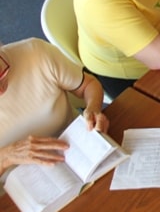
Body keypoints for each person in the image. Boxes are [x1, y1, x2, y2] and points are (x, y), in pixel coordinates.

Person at [0, 38, 109, 181]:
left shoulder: (35, 52)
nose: (1, 89)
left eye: (2, 74)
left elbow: (88, 85)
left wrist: (93, 109)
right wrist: (5, 157)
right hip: (19, 186)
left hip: (80, 152)